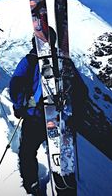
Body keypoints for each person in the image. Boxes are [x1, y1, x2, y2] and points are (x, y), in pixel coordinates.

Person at [9, 26, 81, 195]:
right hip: (61, 118)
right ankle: (63, 184)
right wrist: (76, 115)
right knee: (59, 153)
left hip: (35, 116)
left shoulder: (30, 60)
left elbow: (15, 84)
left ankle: (32, 185)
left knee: (27, 151)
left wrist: (19, 107)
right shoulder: (65, 61)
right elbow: (81, 91)